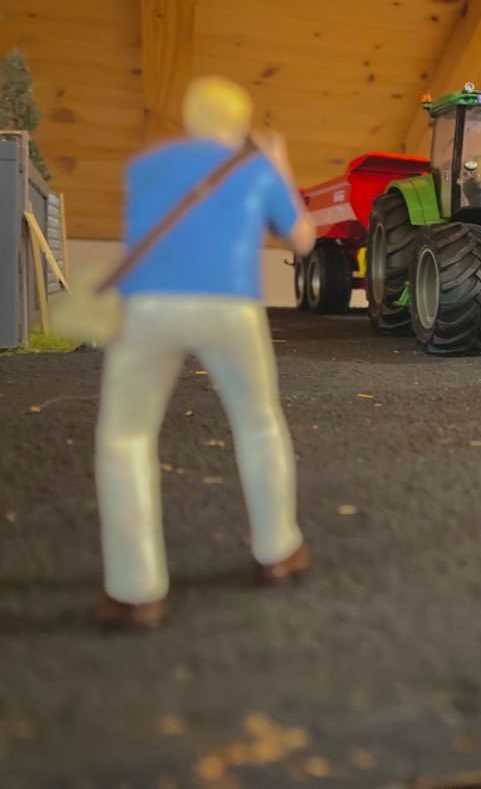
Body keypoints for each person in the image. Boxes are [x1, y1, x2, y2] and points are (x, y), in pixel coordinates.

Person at [94, 75, 316, 630]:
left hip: (147, 306)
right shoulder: (256, 168)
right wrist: (280, 168)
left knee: (125, 437)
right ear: (240, 123)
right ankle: (278, 550)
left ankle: (134, 590)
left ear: (189, 117)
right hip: (230, 305)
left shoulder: (144, 167)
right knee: (258, 421)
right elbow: (303, 239)